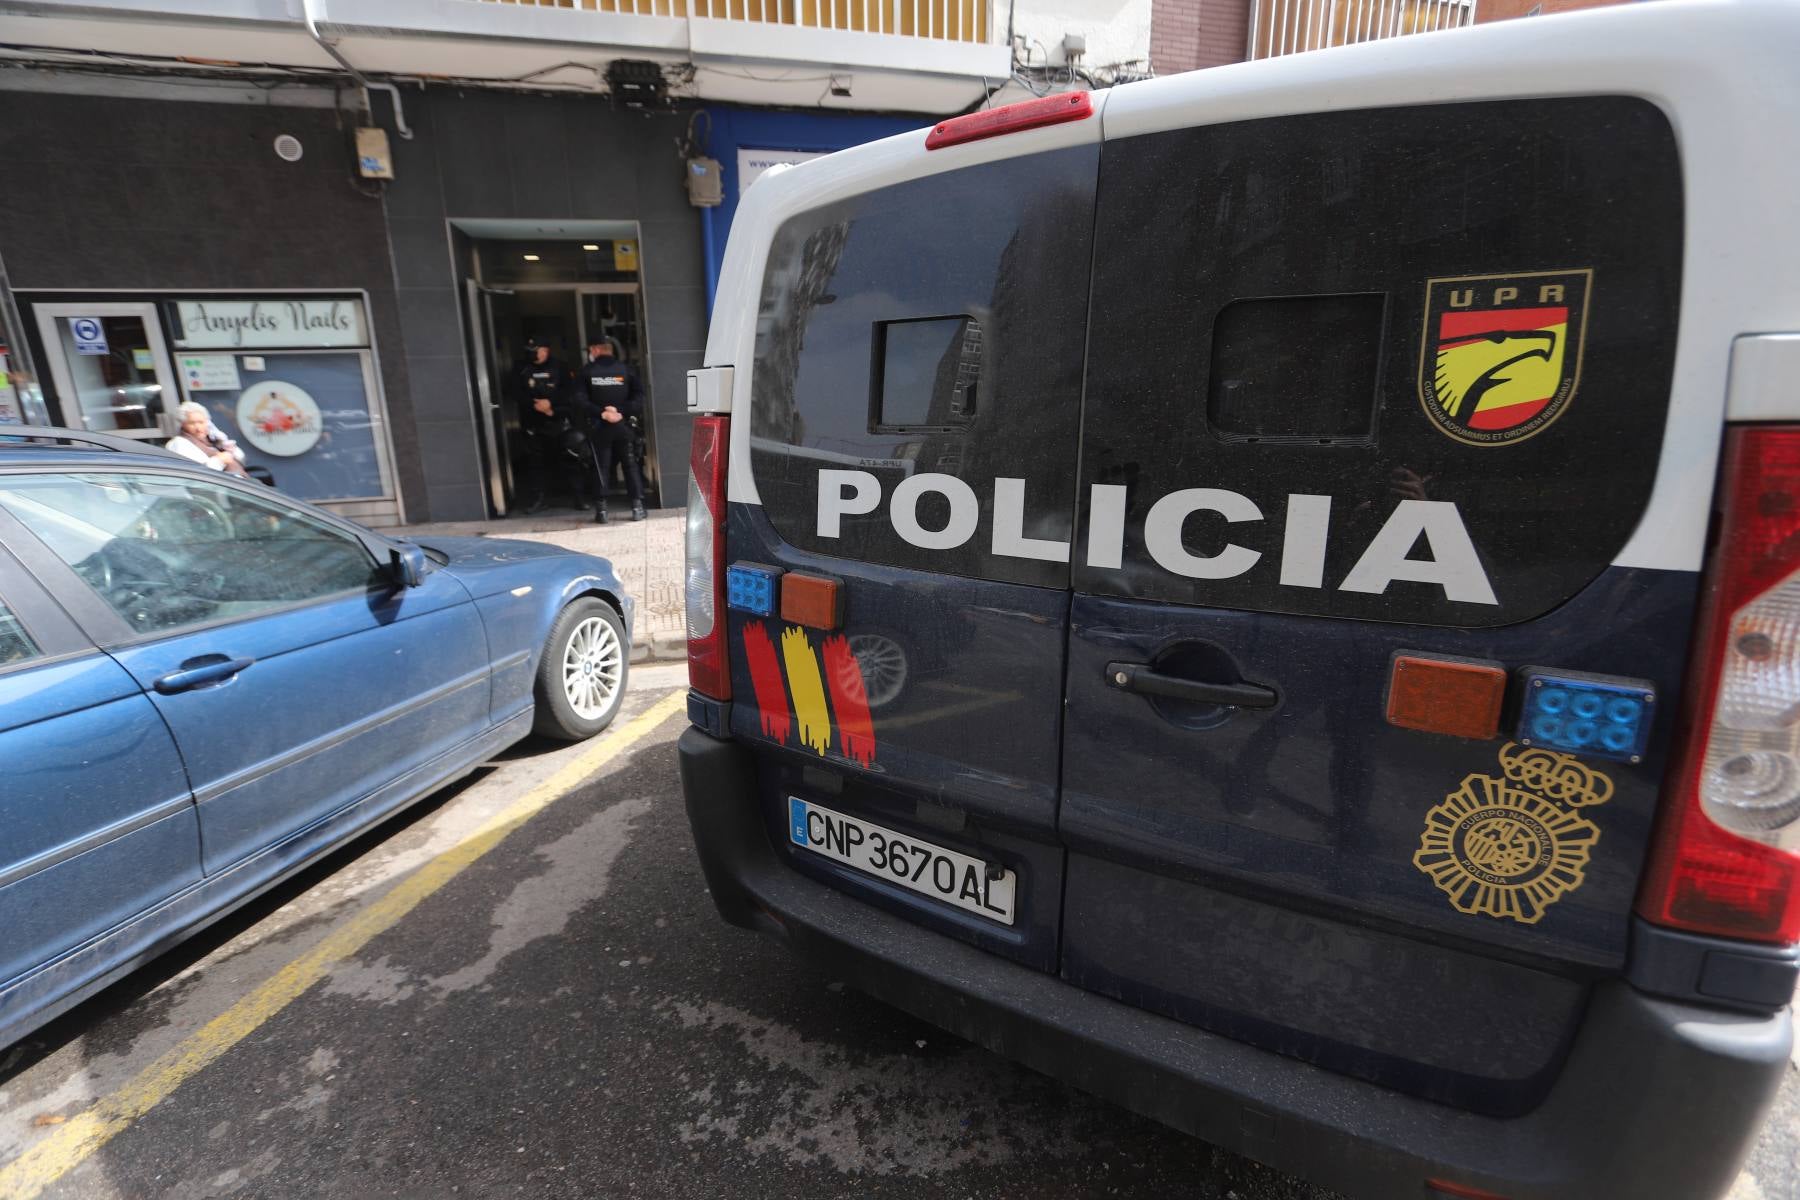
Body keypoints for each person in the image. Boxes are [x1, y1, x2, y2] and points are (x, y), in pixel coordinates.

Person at [577, 339, 647, 523]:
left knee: (602, 467)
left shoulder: (587, 371)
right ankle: (637, 507)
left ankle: (601, 511)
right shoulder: (626, 370)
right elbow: (640, 397)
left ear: (597, 349)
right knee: (630, 465)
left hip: (600, 428)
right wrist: (620, 411)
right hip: (623, 426)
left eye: (591, 348)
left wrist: (602, 413)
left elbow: (579, 400)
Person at [508, 339, 574, 514]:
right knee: (535, 462)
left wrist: (550, 403)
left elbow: (569, 390)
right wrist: (533, 403)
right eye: (537, 350)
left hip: (557, 419)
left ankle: (577, 497)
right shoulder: (520, 367)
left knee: (568, 459)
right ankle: (538, 498)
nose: (540, 354)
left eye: (543, 350)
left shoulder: (560, 366)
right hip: (532, 421)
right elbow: (514, 391)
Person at [166, 402, 249, 476]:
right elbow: (194, 475)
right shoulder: (179, 443)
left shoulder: (213, 439)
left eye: (201, 422)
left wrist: (228, 446)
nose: (198, 428)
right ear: (183, 424)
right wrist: (219, 460)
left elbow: (241, 459)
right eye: (192, 423)